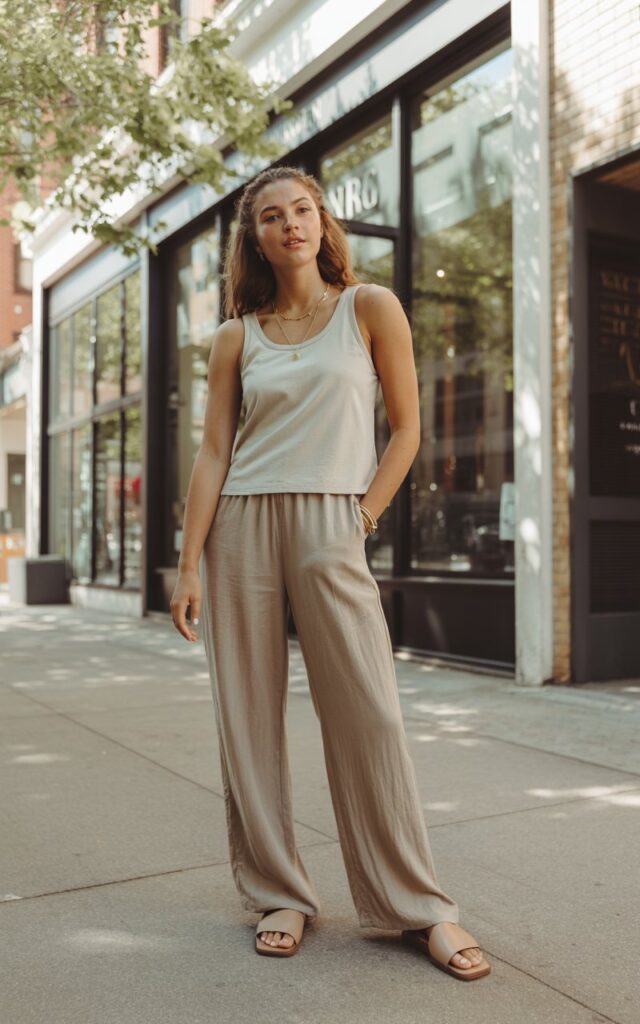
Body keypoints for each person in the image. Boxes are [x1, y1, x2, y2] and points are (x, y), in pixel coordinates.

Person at [170, 165, 491, 981]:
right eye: (272, 217)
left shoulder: (369, 307)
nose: (291, 225)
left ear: (322, 221)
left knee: (369, 715)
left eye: (303, 210)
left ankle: (418, 905)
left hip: (333, 520)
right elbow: (212, 452)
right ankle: (279, 892)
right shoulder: (236, 337)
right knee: (247, 718)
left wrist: (361, 518)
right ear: (256, 239)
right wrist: (189, 564)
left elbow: (408, 430)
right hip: (241, 525)